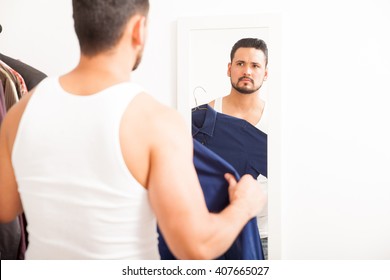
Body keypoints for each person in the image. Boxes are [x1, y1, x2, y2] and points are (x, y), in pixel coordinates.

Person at [0, 0, 265, 260]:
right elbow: (196, 247)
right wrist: (245, 205)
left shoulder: (21, 112)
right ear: (139, 29)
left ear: (78, 26)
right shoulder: (157, 122)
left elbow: (5, 207)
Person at [209, 38, 269, 259]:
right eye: (240, 63)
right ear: (229, 68)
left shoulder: (278, 121)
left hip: (268, 235)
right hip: (222, 233)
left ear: (266, 73)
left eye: (255, 66)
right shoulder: (206, 117)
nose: (247, 71)